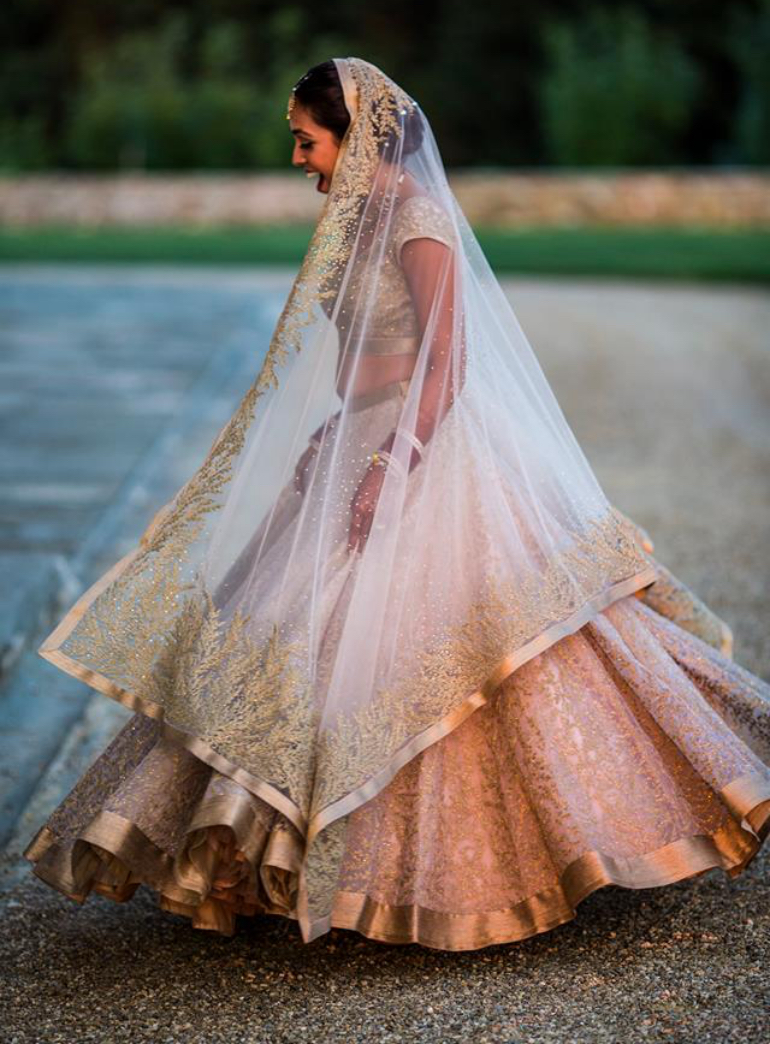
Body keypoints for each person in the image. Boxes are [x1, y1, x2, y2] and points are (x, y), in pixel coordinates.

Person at [24, 57, 770, 950]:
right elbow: (360, 353)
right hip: (359, 434)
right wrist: (331, 435)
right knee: (287, 636)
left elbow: (446, 362)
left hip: (423, 448)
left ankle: (458, 868)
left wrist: (392, 459)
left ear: (357, 134)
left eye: (308, 140)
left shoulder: (418, 217)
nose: (299, 158)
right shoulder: (355, 217)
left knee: (453, 646)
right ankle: (251, 859)